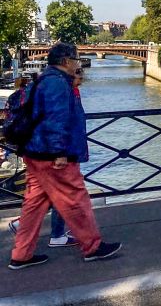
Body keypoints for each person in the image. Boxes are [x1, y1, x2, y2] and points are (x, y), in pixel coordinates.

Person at [8, 43, 121, 270]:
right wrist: (59, 152)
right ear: (67, 61)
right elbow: (56, 120)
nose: (79, 64)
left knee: (34, 204)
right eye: (77, 60)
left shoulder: (44, 79)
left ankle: (21, 254)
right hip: (52, 155)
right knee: (76, 199)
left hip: (36, 151)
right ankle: (92, 247)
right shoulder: (58, 83)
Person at [8, 68, 86, 248]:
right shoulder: (62, 92)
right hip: (56, 153)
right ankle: (59, 235)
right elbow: (57, 123)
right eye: (78, 75)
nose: (81, 79)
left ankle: (25, 227)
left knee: (46, 195)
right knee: (64, 195)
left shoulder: (70, 91)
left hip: (54, 150)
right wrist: (60, 153)